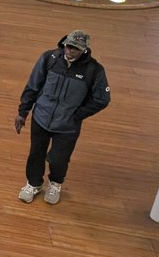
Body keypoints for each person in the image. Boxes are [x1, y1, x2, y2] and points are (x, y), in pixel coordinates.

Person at [15, 31, 111, 205]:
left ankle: (55, 184)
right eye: (69, 46)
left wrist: (78, 114)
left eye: (76, 48)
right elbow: (33, 85)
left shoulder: (94, 70)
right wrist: (23, 112)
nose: (71, 50)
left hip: (68, 126)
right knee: (36, 154)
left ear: (84, 50)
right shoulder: (49, 58)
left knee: (59, 159)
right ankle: (34, 183)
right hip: (41, 118)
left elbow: (102, 99)